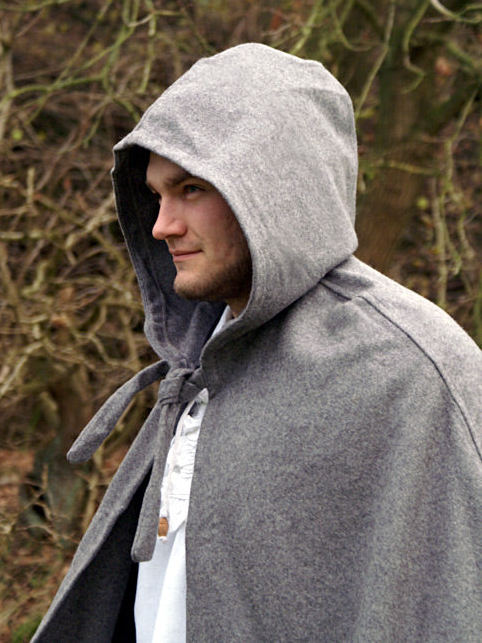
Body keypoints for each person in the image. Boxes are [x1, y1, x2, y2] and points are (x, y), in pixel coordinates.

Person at [31, 43, 482, 643]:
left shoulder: (411, 370)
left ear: (274, 186)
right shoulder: (201, 368)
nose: (162, 225)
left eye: (192, 188)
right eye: (157, 196)